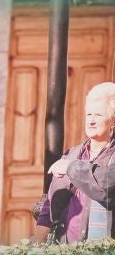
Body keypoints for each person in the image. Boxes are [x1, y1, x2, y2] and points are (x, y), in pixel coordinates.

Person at [34, 81, 115, 245]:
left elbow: (106, 185)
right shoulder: (72, 154)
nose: (91, 121)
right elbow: (49, 205)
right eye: (88, 115)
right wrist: (36, 245)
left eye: (98, 115)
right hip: (65, 254)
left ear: (113, 121)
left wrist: (71, 168)